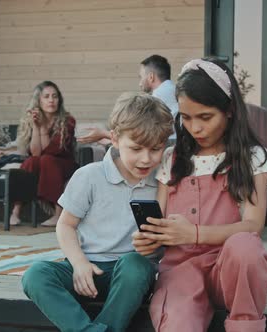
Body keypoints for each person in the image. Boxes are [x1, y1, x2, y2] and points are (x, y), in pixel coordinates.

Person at [132, 58, 267, 332]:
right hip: (180, 273)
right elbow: (160, 221)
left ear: (230, 110)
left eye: (205, 117)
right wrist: (149, 238)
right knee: (177, 323)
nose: (195, 128)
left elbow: (253, 225)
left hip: (229, 272)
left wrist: (193, 234)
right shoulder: (171, 159)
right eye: (186, 118)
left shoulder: (253, 157)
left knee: (245, 246)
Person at [21, 93, 174, 332]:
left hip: (131, 277)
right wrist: (79, 263)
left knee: (135, 264)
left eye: (156, 149)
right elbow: (65, 225)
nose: (146, 159)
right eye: (136, 148)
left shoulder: (162, 182)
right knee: (36, 275)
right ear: (114, 139)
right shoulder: (89, 176)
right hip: (87, 268)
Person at [8, 81, 78, 227]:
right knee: (30, 162)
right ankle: (15, 211)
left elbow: (52, 151)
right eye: (46, 97)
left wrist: (44, 127)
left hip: (64, 163)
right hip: (44, 162)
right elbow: (35, 153)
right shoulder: (31, 119)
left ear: (59, 99)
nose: (51, 100)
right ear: (39, 101)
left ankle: (58, 215)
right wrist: (36, 126)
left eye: (55, 96)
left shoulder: (68, 121)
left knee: (47, 160)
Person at [77, 54, 179, 144]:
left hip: (168, 146)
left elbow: (139, 132)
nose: (140, 83)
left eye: (141, 77)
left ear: (151, 77)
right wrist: (111, 139)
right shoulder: (170, 90)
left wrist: (104, 134)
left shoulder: (158, 97)